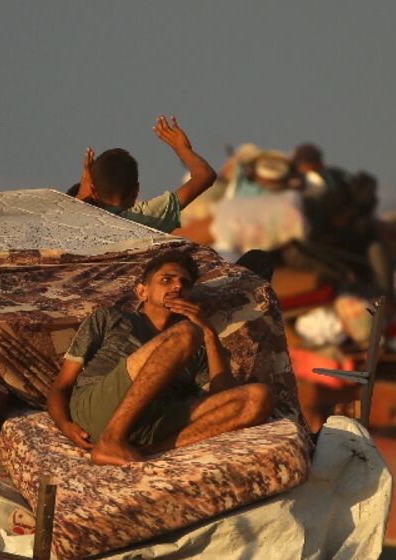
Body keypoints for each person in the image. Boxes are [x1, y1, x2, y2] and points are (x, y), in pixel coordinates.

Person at [48, 249, 273, 466]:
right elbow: (61, 385)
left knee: (259, 396)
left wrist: (208, 333)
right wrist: (64, 424)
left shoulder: (198, 345)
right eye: (167, 280)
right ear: (142, 292)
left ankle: (150, 451)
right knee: (185, 333)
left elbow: (223, 399)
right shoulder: (110, 318)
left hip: (147, 427)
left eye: (185, 284)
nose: (177, 286)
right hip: (97, 410)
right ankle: (110, 439)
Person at [74, 116, 216, 233]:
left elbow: (72, 210)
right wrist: (182, 148)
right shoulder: (142, 219)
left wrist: (84, 184)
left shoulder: (76, 226)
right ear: (136, 191)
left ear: (92, 191)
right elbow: (205, 175)